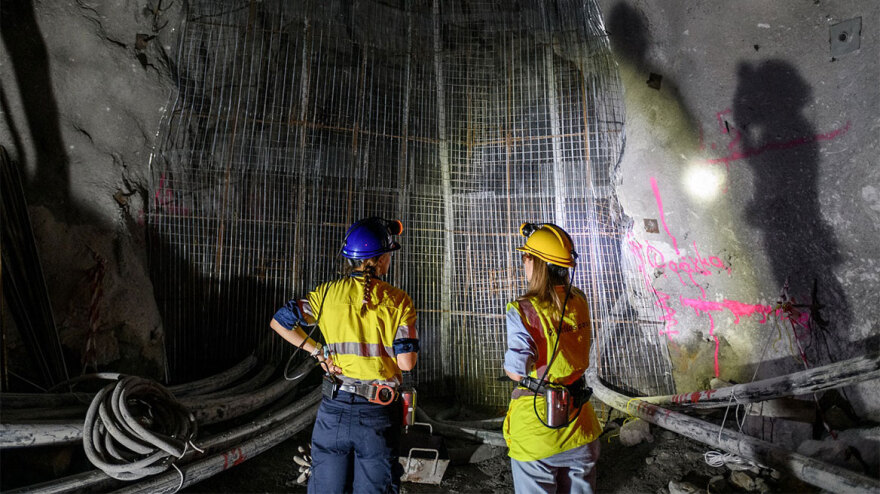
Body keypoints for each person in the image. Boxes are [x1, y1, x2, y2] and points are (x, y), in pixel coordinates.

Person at [269, 217, 419, 494]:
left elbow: (280, 322)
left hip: (334, 411)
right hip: (377, 414)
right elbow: (406, 363)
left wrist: (317, 351)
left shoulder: (326, 295)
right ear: (381, 260)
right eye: (388, 254)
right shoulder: (399, 301)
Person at [502, 222, 603, 493]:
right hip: (580, 425)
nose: (524, 262)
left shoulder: (523, 310)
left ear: (536, 263)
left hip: (538, 430)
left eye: (526, 257)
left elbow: (517, 371)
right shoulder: (579, 300)